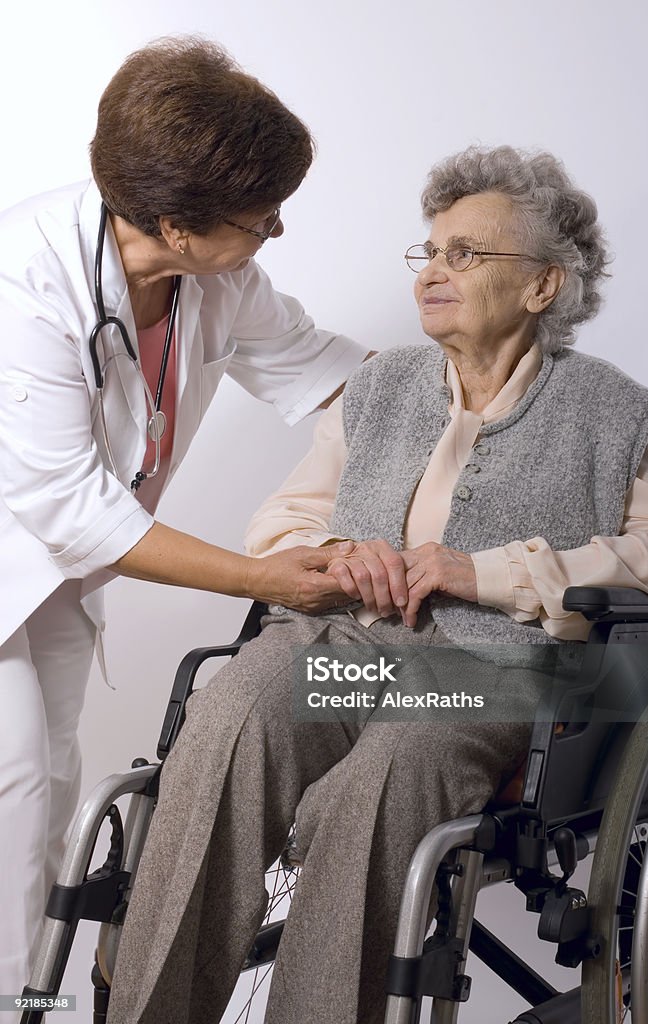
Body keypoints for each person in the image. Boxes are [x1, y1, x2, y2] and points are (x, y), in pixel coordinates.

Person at [106, 145, 648, 1024]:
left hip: (489, 666)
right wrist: (340, 550)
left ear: (544, 285)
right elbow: (282, 522)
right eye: (430, 251)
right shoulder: (380, 385)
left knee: (381, 779)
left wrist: (491, 572)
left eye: (467, 254)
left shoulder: (611, 409)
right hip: (346, 647)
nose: (433, 272)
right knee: (231, 715)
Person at [0, 36, 370, 1004]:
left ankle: (33, 999)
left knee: (43, 811)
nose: (276, 230)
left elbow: (324, 369)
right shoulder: (23, 280)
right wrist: (265, 578)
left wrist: (486, 391)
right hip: (38, 542)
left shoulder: (216, 279)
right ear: (173, 221)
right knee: (14, 787)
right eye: (261, 216)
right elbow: (75, 509)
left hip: (47, 576)